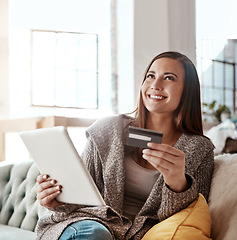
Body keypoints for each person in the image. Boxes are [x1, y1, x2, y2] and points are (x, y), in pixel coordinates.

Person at [35, 51, 214, 240]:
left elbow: (187, 219)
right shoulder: (108, 130)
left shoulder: (199, 149)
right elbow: (80, 198)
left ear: (188, 90)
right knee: (95, 234)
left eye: (169, 78)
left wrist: (177, 184)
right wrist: (55, 200)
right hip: (87, 225)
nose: (156, 85)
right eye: (150, 76)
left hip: (139, 235)